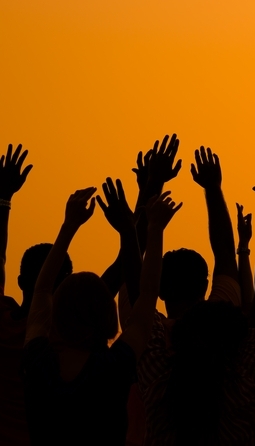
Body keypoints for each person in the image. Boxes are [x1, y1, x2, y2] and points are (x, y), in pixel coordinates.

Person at [137, 155, 255, 445]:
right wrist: (214, 189)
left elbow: (138, 288)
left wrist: (151, 194)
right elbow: (237, 263)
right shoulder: (249, 382)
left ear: (160, 289)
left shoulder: (156, 368)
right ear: (206, 286)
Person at [22, 185, 180, 445]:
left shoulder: (37, 360)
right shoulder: (114, 366)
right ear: (107, 316)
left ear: (57, 316)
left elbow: (41, 289)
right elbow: (148, 295)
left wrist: (69, 225)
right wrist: (155, 230)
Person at [0, 145, 71, 446]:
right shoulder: (64, 339)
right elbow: (123, 277)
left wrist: (4, 200)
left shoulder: (3, 321)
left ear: (20, 281)